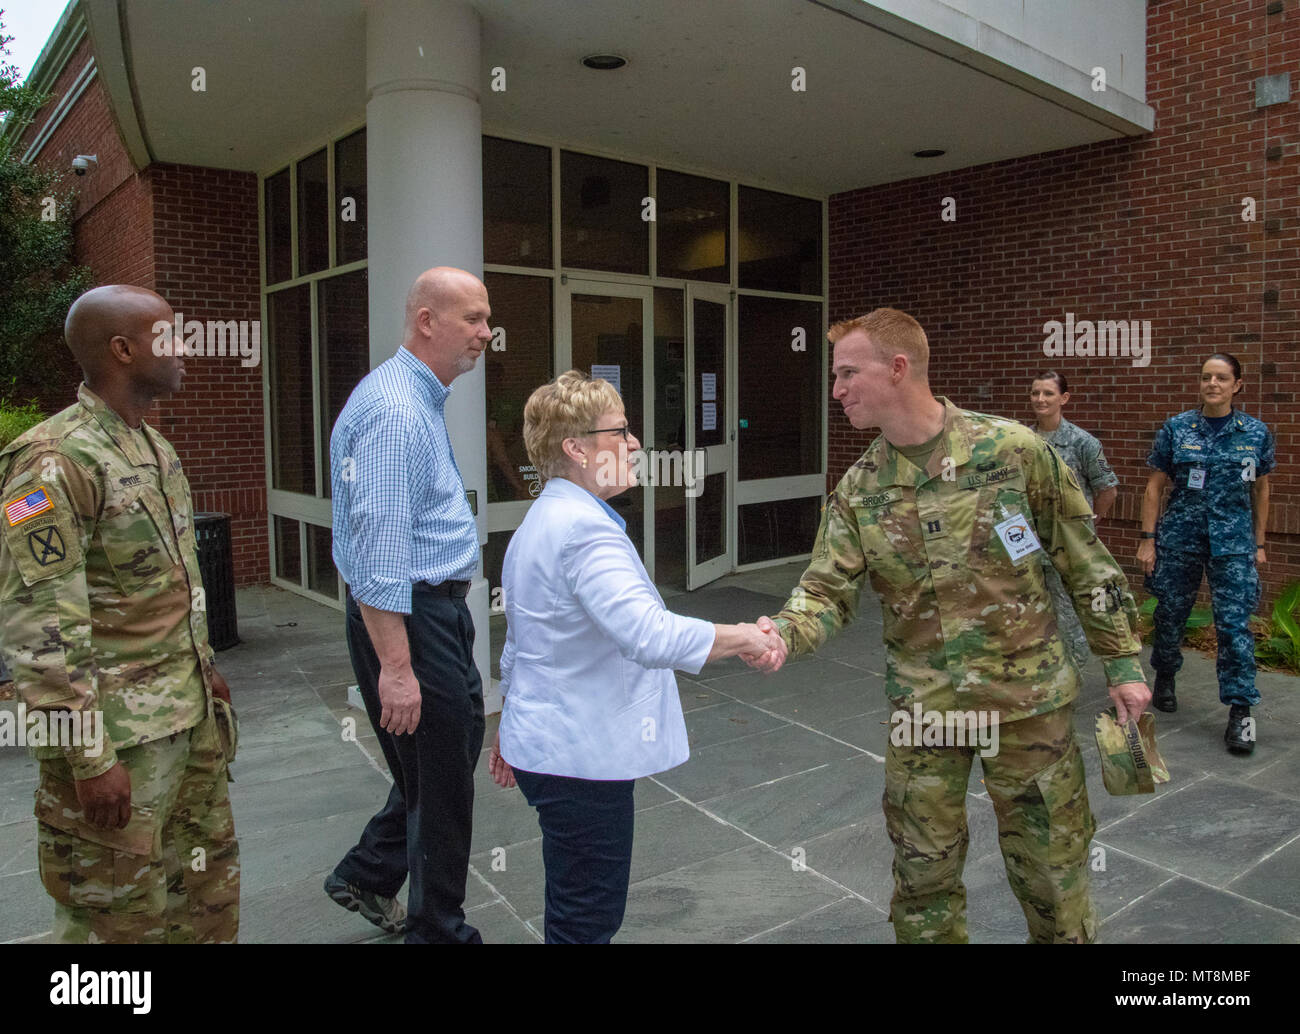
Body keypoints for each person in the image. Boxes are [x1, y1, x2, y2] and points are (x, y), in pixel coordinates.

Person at [753, 308, 1150, 944]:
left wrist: (1124, 664)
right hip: (926, 712)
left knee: (1054, 874)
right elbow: (825, 591)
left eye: (848, 373)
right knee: (922, 876)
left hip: (1029, 707)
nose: (837, 391)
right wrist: (777, 633)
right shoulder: (858, 490)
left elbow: (1086, 561)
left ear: (899, 369)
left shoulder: (1015, 453)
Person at [490, 370, 781, 944]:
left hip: (551, 748)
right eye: (620, 431)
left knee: (573, 902)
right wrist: (746, 636)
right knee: (588, 919)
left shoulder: (545, 520)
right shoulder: (583, 532)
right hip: (579, 759)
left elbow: (521, 643)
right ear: (576, 448)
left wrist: (509, 723)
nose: (634, 444)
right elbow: (648, 635)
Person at [0, 285, 239, 943]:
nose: (185, 347)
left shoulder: (156, 451)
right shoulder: (51, 464)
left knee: (202, 901)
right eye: (169, 335)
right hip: (118, 746)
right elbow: (40, 623)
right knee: (116, 924)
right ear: (123, 350)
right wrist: (86, 757)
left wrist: (203, 668)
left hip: (188, 726)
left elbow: (172, 583)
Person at [325, 266, 492, 944]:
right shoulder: (396, 411)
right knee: (444, 785)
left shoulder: (416, 397)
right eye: (474, 319)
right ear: (427, 321)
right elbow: (380, 554)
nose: (486, 333)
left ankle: (368, 872)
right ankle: (437, 932)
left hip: (430, 614)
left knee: (440, 765)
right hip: (410, 617)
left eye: (486, 320)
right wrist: (396, 666)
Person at [1138, 353, 1273, 753]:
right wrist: (1148, 539)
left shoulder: (1256, 432)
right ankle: (1164, 673)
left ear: (1237, 385)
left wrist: (1260, 543)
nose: (1212, 384)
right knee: (1170, 615)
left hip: (1233, 546)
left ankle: (1241, 711)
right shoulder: (1177, 428)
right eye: (1205, 377)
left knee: (1234, 628)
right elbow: (1154, 486)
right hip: (1181, 539)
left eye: (1221, 378)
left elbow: (1262, 488)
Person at [1028, 371, 1119, 670]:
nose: (1040, 399)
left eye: (1048, 393)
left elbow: (1107, 488)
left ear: (1063, 398)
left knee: (1067, 615)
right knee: (1030, 611)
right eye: (1035, 393)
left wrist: (1090, 521)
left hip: (1067, 546)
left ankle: (1072, 673)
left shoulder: (1083, 443)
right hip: (1027, 544)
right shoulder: (1023, 441)